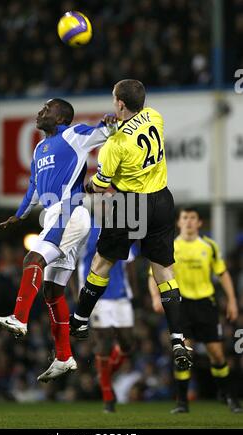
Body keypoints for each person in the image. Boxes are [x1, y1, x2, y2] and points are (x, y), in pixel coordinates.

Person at [0, 98, 116, 381]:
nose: (40, 112)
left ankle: (19, 318)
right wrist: (19, 215)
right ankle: (64, 357)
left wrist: (108, 122)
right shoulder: (37, 149)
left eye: (47, 109)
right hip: (60, 215)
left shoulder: (73, 134)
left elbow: (103, 131)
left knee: (33, 258)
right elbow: (33, 186)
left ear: (60, 118)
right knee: (52, 292)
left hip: (68, 211)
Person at [69, 79, 192, 370]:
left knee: (102, 262)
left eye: (114, 99)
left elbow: (101, 185)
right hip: (161, 200)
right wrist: (117, 126)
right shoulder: (155, 117)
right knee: (164, 271)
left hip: (130, 203)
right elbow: (134, 126)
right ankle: (178, 339)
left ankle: (81, 321)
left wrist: (86, 186)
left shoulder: (114, 145)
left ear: (120, 104)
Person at [148, 206, 242, 413]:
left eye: (193, 218)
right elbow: (153, 274)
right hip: (180, 306)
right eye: (185, 218)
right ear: (179, 223)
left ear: (199, 223)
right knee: (183, 353)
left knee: (217, 355)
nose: (189, 221)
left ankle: (228, 396)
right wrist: (156, 297)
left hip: (205, 305)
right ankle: (182, 402)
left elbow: (223, 273)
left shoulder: (209, 246)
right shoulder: (170, 246)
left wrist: (232, 301)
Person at [76, 217, 139, 412]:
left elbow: (130, 262)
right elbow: (73, 262)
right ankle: (107, 395)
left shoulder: (124, 226)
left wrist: (135, 290)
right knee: (103, 341)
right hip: (96, 295)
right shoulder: (86, 229)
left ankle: (103, 375)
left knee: (127, 343)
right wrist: (76, 293)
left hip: (120, 293)